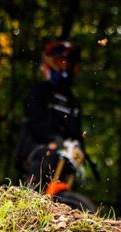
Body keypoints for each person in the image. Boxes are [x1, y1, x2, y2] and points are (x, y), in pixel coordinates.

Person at [15, 39, 85, 188]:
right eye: (60, 62)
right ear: (51, 63)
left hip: (64, 154)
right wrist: (53, 141)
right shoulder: (38, 91)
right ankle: (28, 198)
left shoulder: (73, 102)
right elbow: (35, 121)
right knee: (46, 160)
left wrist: (79, 149)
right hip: (36, 149)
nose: (64, 67)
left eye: (68, 64)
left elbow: (77, 132)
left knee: (73, 171)